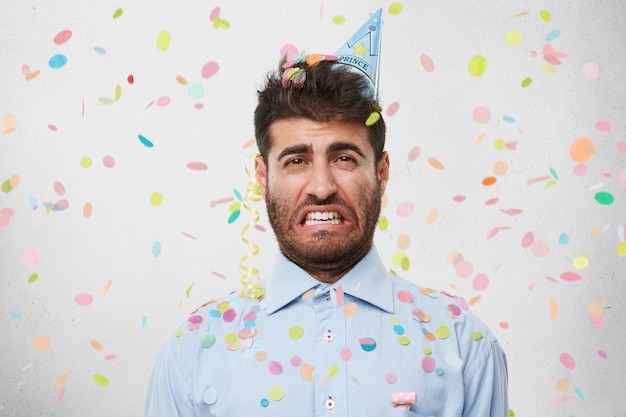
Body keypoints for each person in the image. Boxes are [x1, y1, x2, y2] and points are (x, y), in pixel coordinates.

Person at [145, 9, 508, 417]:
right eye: (296, 160)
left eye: (345, 158)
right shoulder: (192, 350)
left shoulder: (464, 344)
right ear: (263, 176)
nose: (321, 187)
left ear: (381, 172)